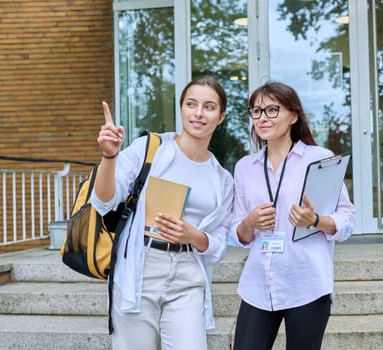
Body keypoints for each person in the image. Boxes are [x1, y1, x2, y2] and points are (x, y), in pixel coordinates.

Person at [91, 76, 234, 350]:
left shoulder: (222, 179)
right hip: (139, 266)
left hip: (188, 274)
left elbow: (219, 245)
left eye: (209, 107)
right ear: (181, 108)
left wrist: (194, 236)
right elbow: (104, 201)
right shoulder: (149, 149)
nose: (198, 113)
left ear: (221, 116)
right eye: (191, 104)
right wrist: (109, 157)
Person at [229, 81, 355, 350]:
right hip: (258, 284)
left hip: (307, 282)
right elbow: (236, 232)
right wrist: (248, 223)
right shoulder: (244, 168)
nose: (262, 118)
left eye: (272, 110)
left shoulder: (319, 158)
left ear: (294, 115)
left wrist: (316, 221)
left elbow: (346, 218)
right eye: (256, 111)